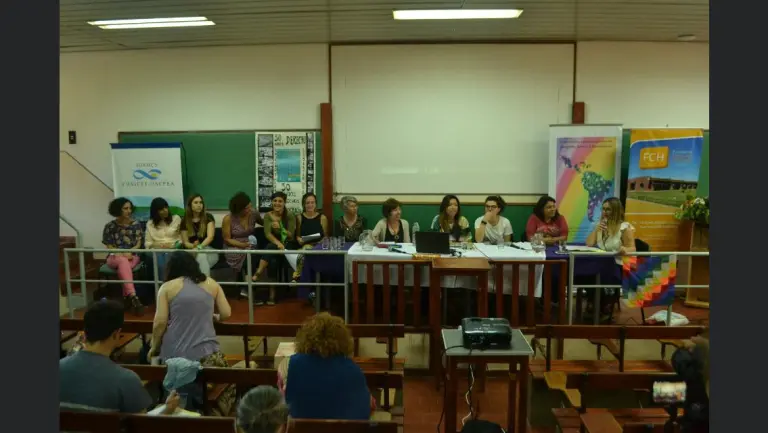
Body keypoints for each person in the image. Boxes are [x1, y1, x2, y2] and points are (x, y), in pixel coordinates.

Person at [148, 251, 234, 416]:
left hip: (175, 354)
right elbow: (226, 313)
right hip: (208, 355)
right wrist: (215, 316)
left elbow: (159, 323)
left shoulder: (167, 288)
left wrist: (154, 347)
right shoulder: (212, 284)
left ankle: (174, 404)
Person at [60, 300, 179, 414]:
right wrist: (166, 410)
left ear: (84, 333)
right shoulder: (126, 379)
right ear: (116, 334)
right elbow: (141, 424)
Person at [278, 313, 375, 420]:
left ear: (304, 338)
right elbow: (367, 407)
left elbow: (283, 403)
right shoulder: (354, 369)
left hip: (301, 427)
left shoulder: (288, 364)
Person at [585, 197, 636, 321]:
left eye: (608, 209)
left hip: (618, 265)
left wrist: (624, 249)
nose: (604, 212)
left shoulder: (625, 227)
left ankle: (603, 305)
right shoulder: (601, 225)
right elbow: (589, 243)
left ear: (616, 211)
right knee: (586, 274)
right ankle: (596, 303)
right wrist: (596, 230)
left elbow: (632, 248)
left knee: (602, 273)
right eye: (603, 209)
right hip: (603, 263)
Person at [102, 197, 145, 315]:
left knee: (124, 265)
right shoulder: (110, 226)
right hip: (114, 257)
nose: (129, 211)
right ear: (117, 210)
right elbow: (109, 245)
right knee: (122, 262)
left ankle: (128, 297)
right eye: (125, 208)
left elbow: (138, 244)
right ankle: (133, 296)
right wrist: (120, 253)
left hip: (132, 256)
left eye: (130, 208)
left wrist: (129, 252)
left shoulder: (136, 224)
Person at [252, 191, 296, 305]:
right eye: (275, 201)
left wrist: (281, 228)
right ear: (272, 202)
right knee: (272, 260)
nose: (277, 203)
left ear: (284, 202)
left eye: (280, 201)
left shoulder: (290, 215)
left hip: (287, 245)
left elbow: (291, 236)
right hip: (274, 245)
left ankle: (258, 272)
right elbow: (267, 234)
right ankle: (272, 295)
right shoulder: (268, 216)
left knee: (270, 248)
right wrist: (278, 243)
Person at [223, 191, 263, 282]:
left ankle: (247, 283)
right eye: (246, 208)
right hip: (234, 246)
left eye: (250, 206)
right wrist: (243, 245)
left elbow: (264, 223)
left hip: (250, 244)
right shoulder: (228, 218)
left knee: (252, 253)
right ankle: (245, 282)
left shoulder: (254, 214)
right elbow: (227, 239)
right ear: (238, 209)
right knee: (248, 257)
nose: (250, 209)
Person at [292, 192, 329, 282]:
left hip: (318, 247)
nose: (310, 205)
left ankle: (297, 276)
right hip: (303, 246)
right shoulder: (299, 217)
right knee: (305, 248)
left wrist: (321, 241)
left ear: (315, 204)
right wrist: (298, 239)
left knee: (306, 249)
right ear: (304, 204)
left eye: (312, 202)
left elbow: (326, 236)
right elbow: (297, 235)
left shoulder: (322, 218)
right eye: (307, 203)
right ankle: (302, 279)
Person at [180, 194, 219, 275]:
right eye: (196, 202)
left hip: (209, 251)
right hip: (192, 251)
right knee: (201, 258)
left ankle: (200, 281)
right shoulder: (185, 220)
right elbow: (185, 242)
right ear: (190, 205)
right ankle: (205, 281)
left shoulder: (208, 217)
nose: (199, 205)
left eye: (201, 202)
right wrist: (193, 246)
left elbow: (210, 237)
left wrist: (199, 247)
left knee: (201, 256)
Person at [144, 197, 182, 276]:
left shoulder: (176, 219)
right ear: (155, 212)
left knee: (168, 256)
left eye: (166, 207)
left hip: (173, 248)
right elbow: (147, 243)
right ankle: (165, 282)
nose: (165, 210)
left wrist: (174, 246)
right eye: (161, 209)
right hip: (157, 250)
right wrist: (159, 245)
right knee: (161, 260)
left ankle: (166, 281)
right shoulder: (150, 223)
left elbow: (181, 238)